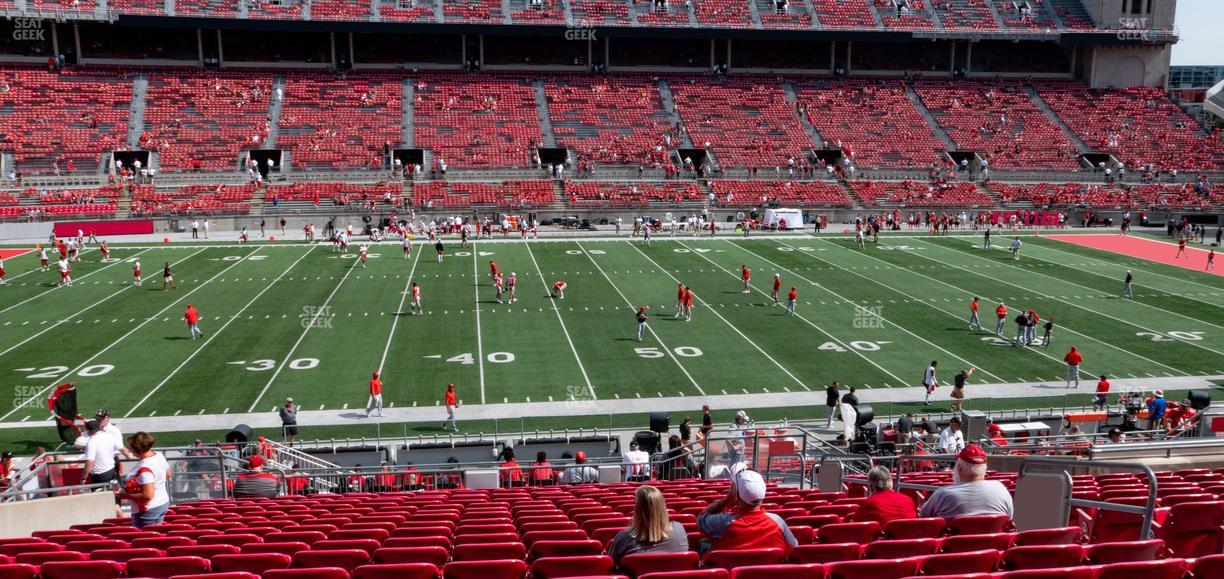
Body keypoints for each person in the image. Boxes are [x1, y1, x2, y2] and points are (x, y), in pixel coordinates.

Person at [697, 468, 798, 554]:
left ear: (735, 495)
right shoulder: (778, 522)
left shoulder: (721, 522)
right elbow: (794, 548)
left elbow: (700, 519)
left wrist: (727, 499)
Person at [920, 444, 1014, 519]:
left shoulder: (943, 494)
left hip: (955, 543)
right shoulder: (1001, 489)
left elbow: (924, 518)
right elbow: (1009, 518)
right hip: (996, 543)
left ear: (959, 468)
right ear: (984, 468)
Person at [608, 485, 689, 565]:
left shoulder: (623, 538)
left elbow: (609, 567)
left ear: (637, 510)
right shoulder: (679, 530)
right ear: (662, 506)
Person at [116, 432, 171, 528]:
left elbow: (148, 495)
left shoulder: (144, 468)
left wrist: (124, 495)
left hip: (148, 509)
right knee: (155, 535)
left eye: (131, 448)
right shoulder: (158, 455)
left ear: (139, 450)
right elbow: (168, 474)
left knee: (144, 539)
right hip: (162, 501)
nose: (129, 450)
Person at [851, 466, 917, 525]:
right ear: (891, 482)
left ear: (871, 486)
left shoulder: (869, 503)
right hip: (909, 537)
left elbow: (853, 527)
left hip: (885, 538)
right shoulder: (908, 500)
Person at [83, 419, 121, 487]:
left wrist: (83, 478)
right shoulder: (109, 436)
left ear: (88, 431)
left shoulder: (92, 441)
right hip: (111, 470)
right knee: (113, 492)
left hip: (99, 475)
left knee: (99, 494)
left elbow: (90, 461)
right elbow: (123, 449)